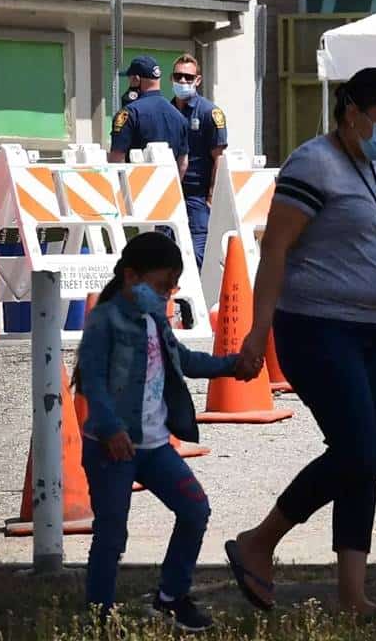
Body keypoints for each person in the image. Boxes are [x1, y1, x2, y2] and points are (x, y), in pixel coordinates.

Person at [224, 67, 376, 619]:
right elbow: (275, 251)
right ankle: (258, 542)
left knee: (367, 462)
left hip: (372, 329)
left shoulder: (374, 166)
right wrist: (258, 331)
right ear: (352, 112)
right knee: (358, 451)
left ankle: (353, 596)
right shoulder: (312, 164)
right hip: (317, 328)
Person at [74, 231, 261, 631]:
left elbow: (184, 361)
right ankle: (98, 617)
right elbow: (92, 382)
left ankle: (171, 598)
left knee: (195, 509)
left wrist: (232, 366)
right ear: (130, 277)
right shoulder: (104, 321)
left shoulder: (155, 319)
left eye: (172, 287)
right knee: (111, 534)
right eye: (161, 286)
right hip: (111, 449)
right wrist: (111, 429)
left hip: (155, 446)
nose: (167, 295)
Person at [170, 54, 227, 269]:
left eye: (188, 77)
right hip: (169, 193)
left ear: (198, 80)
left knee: (196, 253)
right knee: (165, 251)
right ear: (171, 78)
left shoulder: (209, 112)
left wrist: (211, 196)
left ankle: (197, 293)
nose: (183, 81)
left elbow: (218, 157)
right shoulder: (167, 111)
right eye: (178, 76)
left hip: (198, 196)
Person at [108, 56, 188, 178]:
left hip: (136, 186)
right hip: (169, 187)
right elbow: (183, 163)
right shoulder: (179, 116)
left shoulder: (129, 113)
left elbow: (116, 160)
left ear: (136, 79)